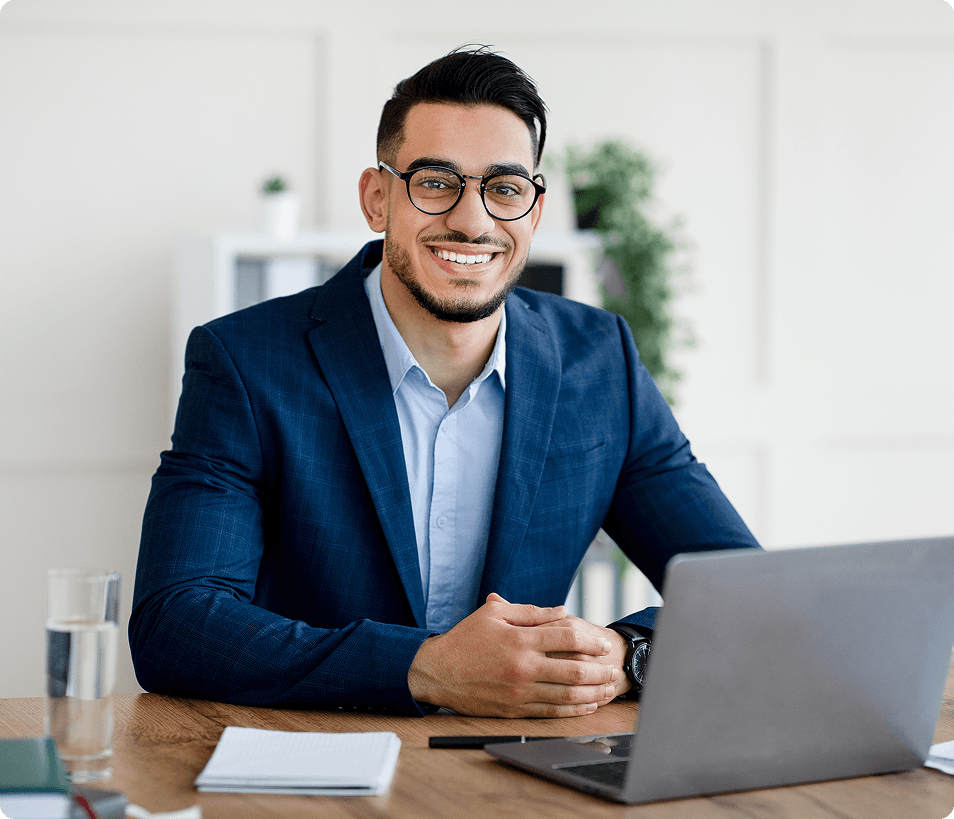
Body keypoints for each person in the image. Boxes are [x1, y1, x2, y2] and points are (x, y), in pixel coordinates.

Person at [129, 45, 759, 718]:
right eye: (435, 182)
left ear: (534, 214)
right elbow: (175, 621)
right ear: (378, 199)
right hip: (315, 765)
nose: (472, 219)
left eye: (505, 189)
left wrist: (630, 655)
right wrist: (423, 668)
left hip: (517, 771)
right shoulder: (246, 361)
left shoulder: (599, 361)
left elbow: (744, 593)